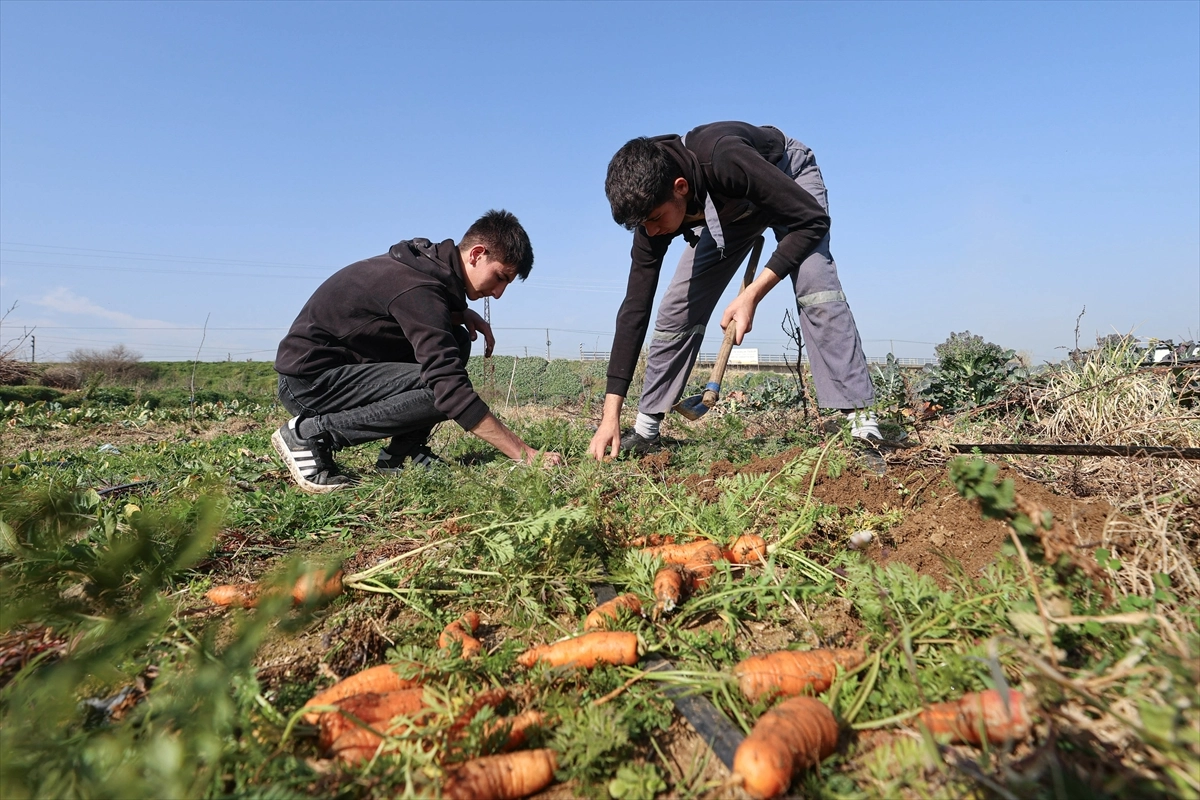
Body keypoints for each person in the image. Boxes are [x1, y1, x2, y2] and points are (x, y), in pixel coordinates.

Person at [587, 121, 881, 465]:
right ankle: (646, 428)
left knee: (815, 283)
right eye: (643, 225)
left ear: (680, 187)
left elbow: (811, 220)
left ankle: (861, 424)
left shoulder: (722, 158)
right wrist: (611, 416)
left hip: (786, 176)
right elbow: (635, 308)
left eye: (655, 219)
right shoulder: (650, 207)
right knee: (676, 307)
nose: (652, 231)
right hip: (729, 212)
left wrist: (752, 294)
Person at [273, 209, 562, 493]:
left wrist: (459, 313)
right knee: (442, 390)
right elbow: (450, 389)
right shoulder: (418, 287)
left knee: (458, 340)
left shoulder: (423, 271)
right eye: (500, 277)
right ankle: (311, 435)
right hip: (309, 382)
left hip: (336, 370)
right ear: (476, 254)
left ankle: (401, 453)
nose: (499, 293)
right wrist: (524, 453)